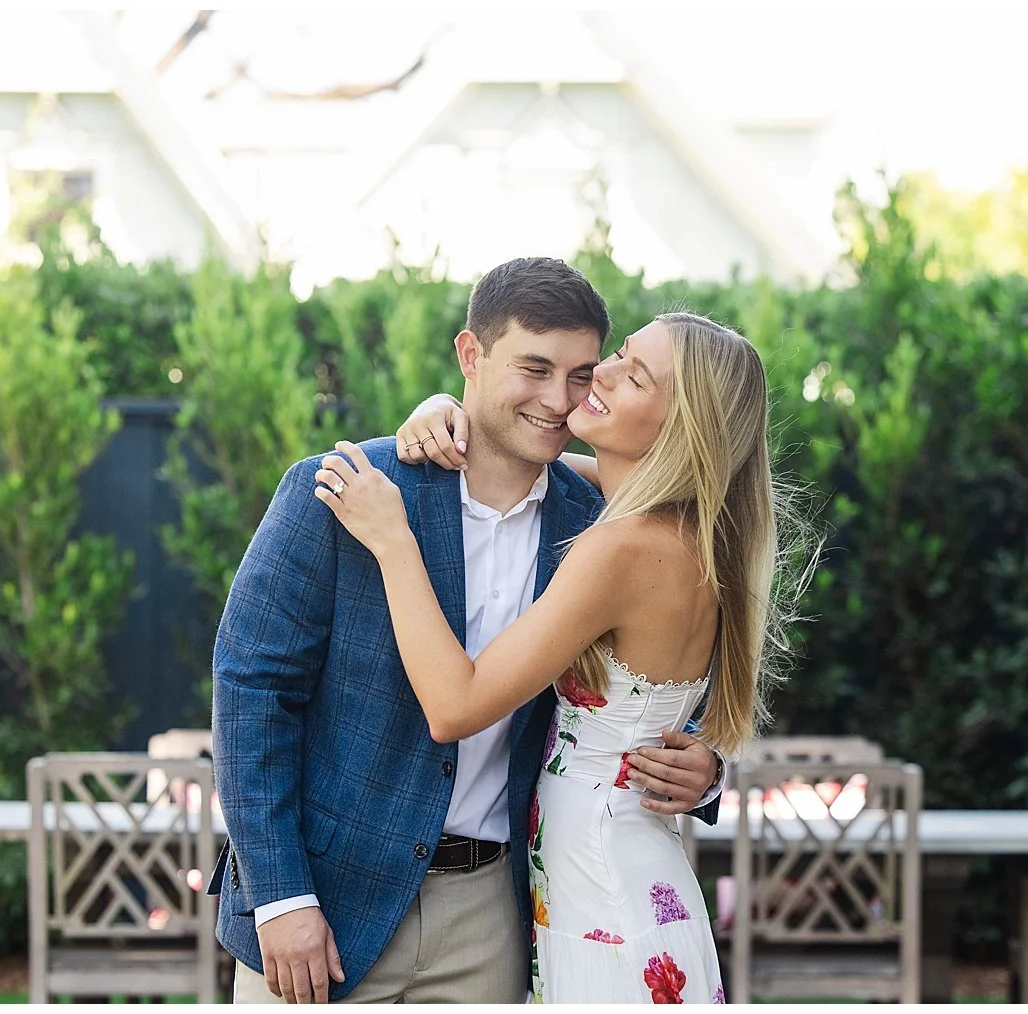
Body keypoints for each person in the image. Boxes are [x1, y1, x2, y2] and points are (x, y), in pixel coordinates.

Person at [209, 258, 725, 1004]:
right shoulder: (347, 491)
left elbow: (648, 675)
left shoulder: (600, 528)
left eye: (582, 374)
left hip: (495, 915)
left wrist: (703, 765)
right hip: (325, 905)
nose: (558, 399)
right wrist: (281, 897)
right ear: (470, 356)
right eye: (535, 368)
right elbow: (250, 690)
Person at [314, 310, 785, 1003]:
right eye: (622, 353)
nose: (604, 372)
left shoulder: (622, 548)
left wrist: (393, 542)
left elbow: (456, 706)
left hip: (604, 897)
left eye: (636, 376)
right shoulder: (689, 531)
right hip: (627, 881)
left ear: (680, 427)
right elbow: (523, 456)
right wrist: (450, 412)